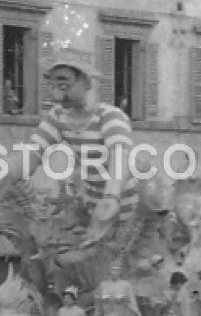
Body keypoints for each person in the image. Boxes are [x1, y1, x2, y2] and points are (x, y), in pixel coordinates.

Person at [3, 54, 137, 247]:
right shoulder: (59, 117)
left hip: (124, 208)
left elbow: (119, 158)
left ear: (86, 83)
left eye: (64, 84)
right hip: (93, 207)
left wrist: (111, 196)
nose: (57, 94)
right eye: (53, 85)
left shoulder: (110, 117)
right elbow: (30, 155)